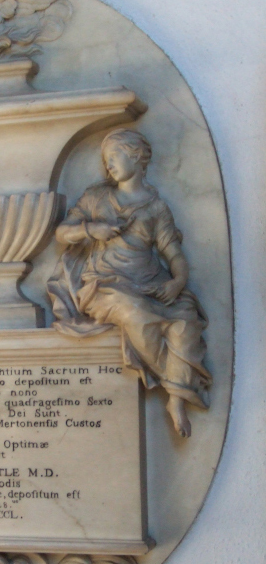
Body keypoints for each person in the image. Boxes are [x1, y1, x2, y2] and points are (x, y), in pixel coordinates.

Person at [47, 129, 211, 437]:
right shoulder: (96, 197)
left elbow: (173, 253)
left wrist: (178, 282)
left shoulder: (155, 208)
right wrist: (90, 229)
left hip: (151, 282)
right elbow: (61, 233)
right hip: (106, 285)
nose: (108, 165)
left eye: (113, 158)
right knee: (135, 314)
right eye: (105, 161)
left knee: (185, 322)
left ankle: (176, 399)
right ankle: (174, 381)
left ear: (135, 156)